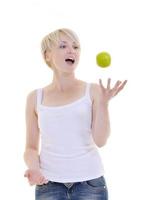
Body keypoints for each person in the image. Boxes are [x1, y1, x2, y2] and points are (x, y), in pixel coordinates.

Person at [23, 28, 127, 200]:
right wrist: (33, 168)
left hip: (90, 185)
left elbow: (100, 141)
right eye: (63, 46)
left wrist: (104, 103)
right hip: (48, 185)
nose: (71, 50)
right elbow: (31, 148)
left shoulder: (93, 91)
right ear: (47, 55)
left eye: (76, 47)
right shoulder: (35, 97)